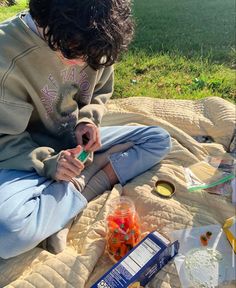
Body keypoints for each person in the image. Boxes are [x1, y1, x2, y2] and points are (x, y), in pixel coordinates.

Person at [0, 0, 171, 259]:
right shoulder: (5, 53)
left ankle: (74, 189)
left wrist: (88, 120)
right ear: (46, 23)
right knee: (8, 234)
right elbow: (3, 140)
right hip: (24, 157)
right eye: (73, 52)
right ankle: (78, 184)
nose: (81, 63)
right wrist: (48, 163)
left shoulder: (97, 37)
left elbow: (100, 90)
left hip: (72, 144)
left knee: (158, 140)